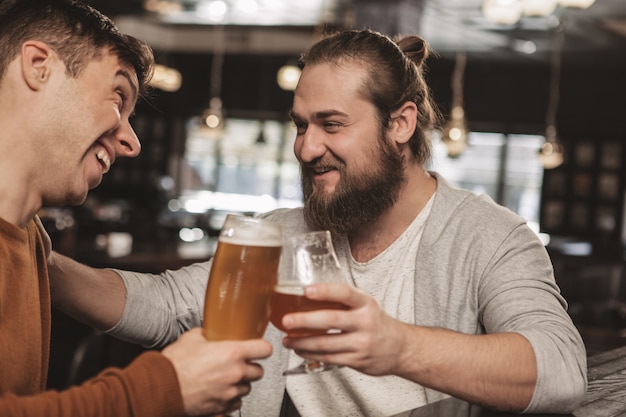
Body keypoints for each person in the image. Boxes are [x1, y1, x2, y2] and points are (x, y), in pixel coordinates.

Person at [48, 28, 588, 416]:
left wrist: (397, 346)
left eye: (331, 124)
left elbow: (562, 372)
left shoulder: (489, 237)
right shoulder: (281, 232)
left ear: (400, 124)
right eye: (300, 126)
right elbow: (165, 307)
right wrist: (38, 260)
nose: (307, 148)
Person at [0, 0, 272, 416]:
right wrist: (164, 387)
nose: (132, 142)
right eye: (118, 95)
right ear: (40, 66)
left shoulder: (31, 240)